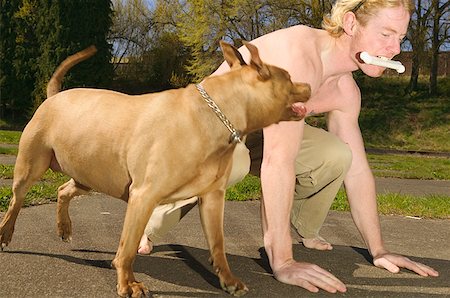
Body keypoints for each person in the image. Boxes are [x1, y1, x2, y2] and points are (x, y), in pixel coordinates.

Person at [138, 0, 439, 293]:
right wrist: (282, 261)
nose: (396, 49)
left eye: (400, 37)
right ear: (350, 23)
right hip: (198, 123)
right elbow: (277, 162)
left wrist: (379, 250)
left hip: (253, 127)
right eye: (386, 34)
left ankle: (304, 228)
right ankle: (148, 223)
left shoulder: (345, 91)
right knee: (234, 161)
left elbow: (358, 171)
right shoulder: (300, 59)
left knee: (337, 154)